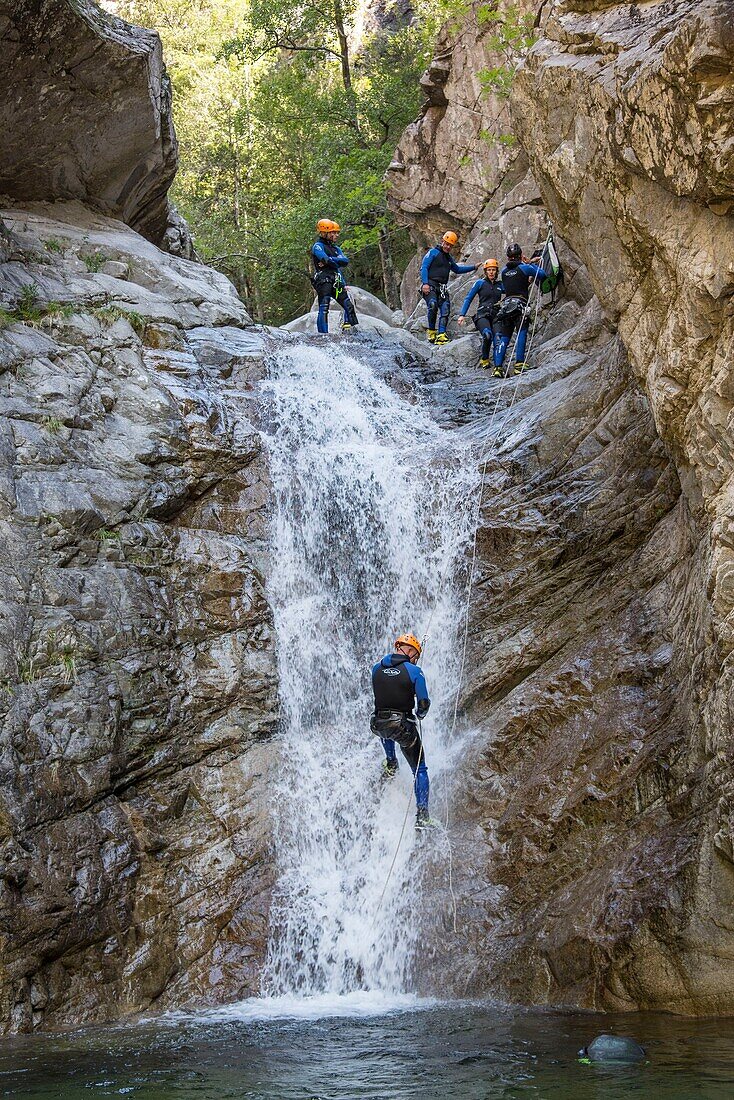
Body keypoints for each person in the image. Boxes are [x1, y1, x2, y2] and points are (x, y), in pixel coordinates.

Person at [370, 633, 434, 829]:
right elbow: (423, 702)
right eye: (416, 654)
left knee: (386, 730)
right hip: (402, 726)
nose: (416, 658)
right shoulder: (415, 671)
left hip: (378, 723)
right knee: (420, 769)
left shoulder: (376, 668)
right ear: (410, 651)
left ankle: (391, 762)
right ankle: (422, 816)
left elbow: (384, 694)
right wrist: (420, 714)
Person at [492, 243, 547, 377]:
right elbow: (542, 274)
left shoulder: (504, 271)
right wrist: (531, 263)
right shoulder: (525, 268)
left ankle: (497, 368)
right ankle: (519, 364)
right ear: (520, 256)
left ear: (508, 257)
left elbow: (514, 283)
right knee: (521, 332)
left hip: (507, 306)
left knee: (505, 337)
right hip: (520, 305)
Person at [420, 231, 478, 345]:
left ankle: (441, 334)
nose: (447, 247)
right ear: (442, 241)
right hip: (430, 285)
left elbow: (457, 269)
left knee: (445, 308)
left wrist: (473, 267)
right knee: (432, 304)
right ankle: (431, 331)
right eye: (446, 244)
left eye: (450, 245)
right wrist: (425, 283)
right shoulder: (433, 253)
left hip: (442, 287)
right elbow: (424, 267)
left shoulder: (448, 258)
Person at [311, 218, 359, 334]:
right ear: (325, 233)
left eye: (336, 232)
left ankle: (350, 330)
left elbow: (345, 261)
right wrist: (334, 261)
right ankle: (323, 336)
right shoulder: (317, 246)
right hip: (324, 280)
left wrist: (331, 260)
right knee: (324, 308)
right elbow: (325, 259)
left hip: (336, 280)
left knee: (348, 305)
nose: (336, 235)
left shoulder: (336, 248)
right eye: (333, 232)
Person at [457, 258, 502, 367]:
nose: (491, 272)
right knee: (487, 335)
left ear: (496, 271)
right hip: (482, 315)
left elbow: (513, 290)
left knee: (498, 338)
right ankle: (485, 359)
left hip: (496, 315)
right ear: (485, 271)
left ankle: (498, 365)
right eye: (489, 270)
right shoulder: (480, 283)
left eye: (493, 270)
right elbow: (468, 298)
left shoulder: (500, 285)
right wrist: (462, 315)